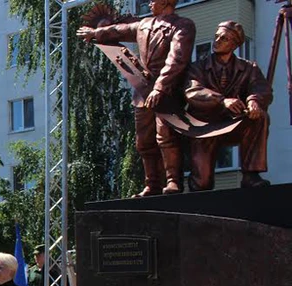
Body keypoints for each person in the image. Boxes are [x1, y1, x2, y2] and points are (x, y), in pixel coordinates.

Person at [78, 0, 195, 197]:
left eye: (153, 0)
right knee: (143, 141)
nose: (149, 3)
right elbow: (117, 30)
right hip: (143, 91)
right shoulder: (144, 24)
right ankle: (152, 184)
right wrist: (94, 34)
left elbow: (177, 59)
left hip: (169, 89)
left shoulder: (183, 25)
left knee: (166, 136)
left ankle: (174, 181)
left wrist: (160, 88)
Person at [184, 21, 272, 190]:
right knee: (201, 184)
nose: (217, 41)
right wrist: (221, 100)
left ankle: (251, 175)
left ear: (234, 44)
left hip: (232, 124)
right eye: (216, 36)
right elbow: (192, 91)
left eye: (223, 38)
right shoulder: (198, 67)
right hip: (204, 127)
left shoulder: (248, 68)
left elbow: (262, 88)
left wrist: (254, 100)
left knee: (260, 117)